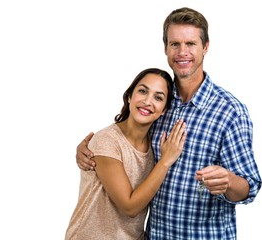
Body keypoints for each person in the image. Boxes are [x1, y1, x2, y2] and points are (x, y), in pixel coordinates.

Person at [76, 7, 262, 240]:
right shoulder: (159, 102)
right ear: (165, 48)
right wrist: (88, 150)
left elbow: (250, 186)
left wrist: (229, 181)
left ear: (205, 47)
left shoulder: (230, 111)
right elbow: (125, 141)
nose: (182, 52)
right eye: (175, 44)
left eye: (191, 44)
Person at [65, 67, 187, 240]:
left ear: (164, 110)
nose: (147, 101)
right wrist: (166, 161)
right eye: (143, 91)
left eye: (158, 97)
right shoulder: (107, 140)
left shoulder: (155, 144)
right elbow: (129, 207)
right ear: (130, 96)